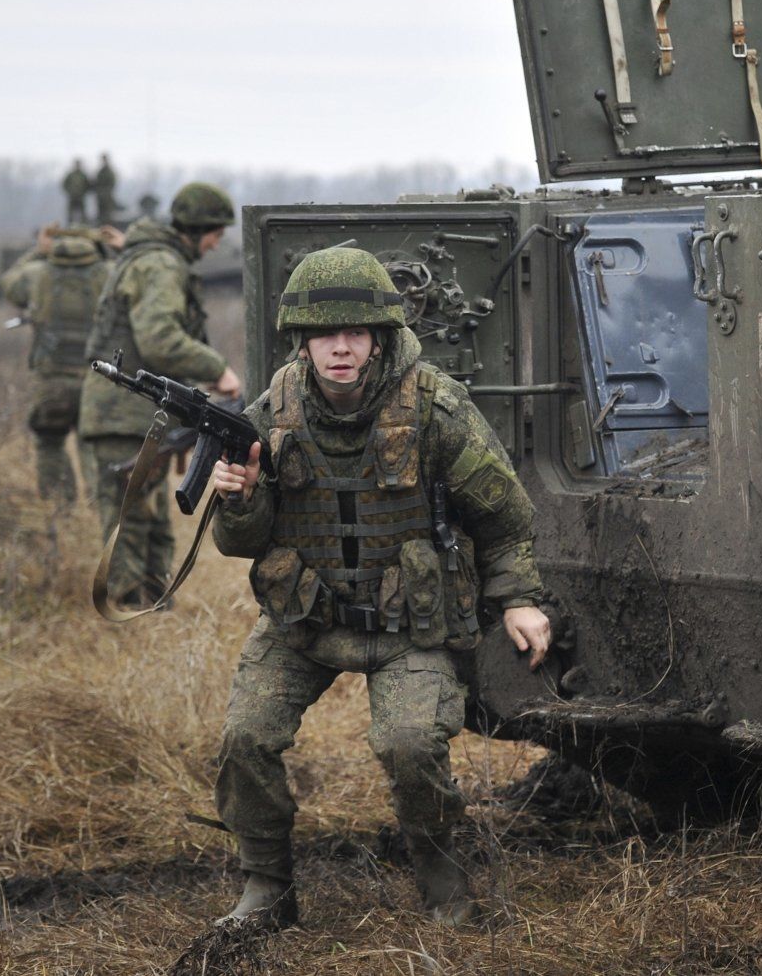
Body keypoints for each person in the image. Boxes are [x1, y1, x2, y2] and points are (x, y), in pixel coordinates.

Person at [207, 246, 551, 930]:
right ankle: (266, 887)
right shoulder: (271, 413)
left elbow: (505, 516)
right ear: (302, 340)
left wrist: (517, 597)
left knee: (410, 744)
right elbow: (239, 542)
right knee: (245, 736)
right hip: (305, 618)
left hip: (409, 625)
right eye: (325, 333)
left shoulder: (434, 407)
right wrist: (239, 498)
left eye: (355, 333)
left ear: (379, 337)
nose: (340, 346)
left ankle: (443, 879)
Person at [78, 182, 243, 607]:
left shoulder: (156, 259)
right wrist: (217, 368)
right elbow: (159, 338)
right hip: (123, 411)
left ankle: (153, 602)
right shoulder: (161, 265)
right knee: (129, 514)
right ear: (198, 228)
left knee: (146, 514)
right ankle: (134, 607)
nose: (216, 243)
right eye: (216, 233)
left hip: (135, 411)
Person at [1, 223, 121, 502]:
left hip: (52, 378)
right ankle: (99, 509)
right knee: (94, 445)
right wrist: (115, 250)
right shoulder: (110, 274)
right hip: (99, 376)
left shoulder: (36, 273)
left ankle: (59, 509)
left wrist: (37, 252)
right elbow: (137, 284)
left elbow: (9, 285)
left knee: (50, 441)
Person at [93, 153, 124, 224]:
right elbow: (96, 182)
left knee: (108, 214)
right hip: (100, 196)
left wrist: (106, 191)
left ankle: (108, 228)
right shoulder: (100, 171)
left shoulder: (109, 171)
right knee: (100, 214)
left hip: (107, 196)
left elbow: (112, 183)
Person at [62, 159, 91, 226]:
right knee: (71, 214)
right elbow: (65, 184)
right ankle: (70, 227)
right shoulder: (71, 175)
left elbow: (88, 185)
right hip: (72, 197)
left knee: (83, 214)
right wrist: (70, 191)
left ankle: (83, 226)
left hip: (81, 197)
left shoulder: (83, 175)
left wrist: (83, 192)